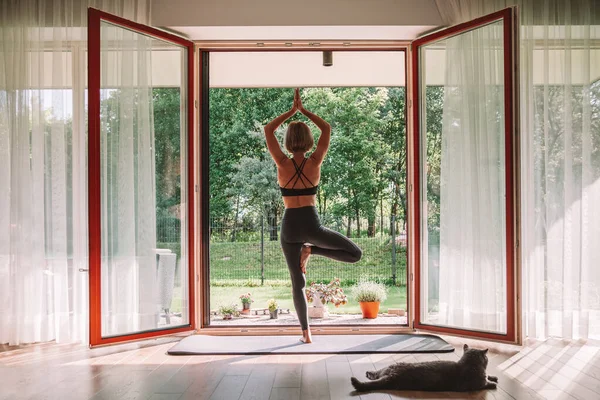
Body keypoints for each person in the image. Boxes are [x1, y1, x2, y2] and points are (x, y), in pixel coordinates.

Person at [264, 88, 362, 344]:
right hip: (311, 224)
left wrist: (290, 112)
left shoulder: (281, 163)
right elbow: (326, 128)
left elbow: (267, 130)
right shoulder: (315, 161)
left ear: (287, 142)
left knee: (298, 282)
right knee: (355, 254)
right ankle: (312, 250)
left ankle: (306, 334)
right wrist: (304, 111)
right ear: (308, 140)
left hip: (289, 227)